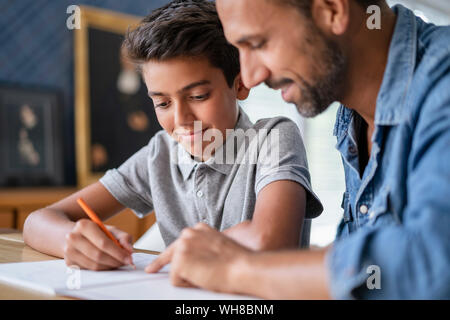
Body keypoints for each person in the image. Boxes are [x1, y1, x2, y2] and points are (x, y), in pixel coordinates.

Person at [147, 0, 450, 299]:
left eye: (258, 43)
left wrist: (238, 269)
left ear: (332, 9)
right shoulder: (352, 115)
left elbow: (427, 264)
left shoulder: (442, 82)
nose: (250, 77)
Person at [23, 0, 322, 271]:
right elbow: (36, 222)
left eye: (199, 96)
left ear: (240, 84)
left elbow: (272, 242)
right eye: (163, 103)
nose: (181, 120)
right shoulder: (160, 153)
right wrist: (72, 240)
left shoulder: (274, 139)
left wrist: (197, 246)